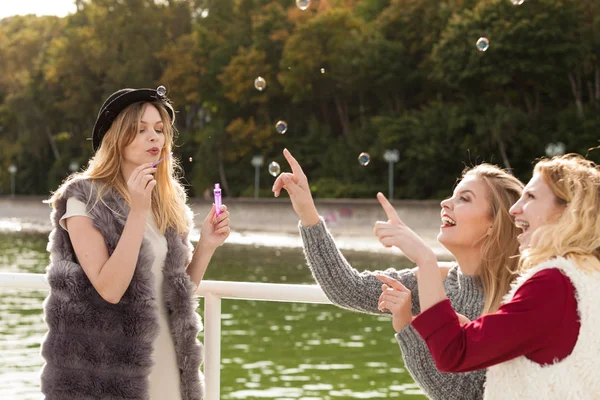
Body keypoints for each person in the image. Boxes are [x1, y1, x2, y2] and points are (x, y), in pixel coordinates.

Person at [271, 148, 524, 400]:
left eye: (464, 199)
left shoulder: (518, 296)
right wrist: (307, 213)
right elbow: (348, 288)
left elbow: (462, 395)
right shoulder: (439, 279)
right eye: (452, 196)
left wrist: (406, 322)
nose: (445, 203)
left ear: (494, 223)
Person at [40, 87, 230, 400]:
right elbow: (109, 288)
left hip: (168, 364)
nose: (154, 137)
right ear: (117, 136)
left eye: (159, 130)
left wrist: (207, 245)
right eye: (141, 130)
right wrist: (137, 211)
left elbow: (177, 294)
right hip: (110, 372)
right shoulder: (85, 198)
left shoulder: (167, 201)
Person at [378, 154, 600, 399]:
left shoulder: (553, 284)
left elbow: (453, 353)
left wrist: (425, 260)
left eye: (531, 197)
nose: (515, 210)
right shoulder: (587, 277)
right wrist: (472, 330)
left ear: (567, 211)